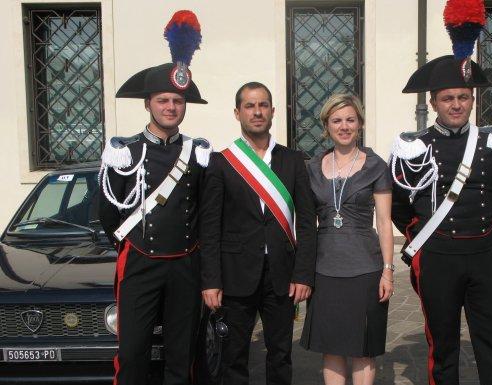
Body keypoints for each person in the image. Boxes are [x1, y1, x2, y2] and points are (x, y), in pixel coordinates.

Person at [98, 11, 212, 385]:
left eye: (177, 101)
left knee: (183, 356)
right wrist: (133, 244)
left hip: (185, 264)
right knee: (132, 354)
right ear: (148, 103)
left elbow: (205, 212)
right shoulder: (125, 152)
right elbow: (108, 214)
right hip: (140, 262)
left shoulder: (197, 153)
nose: (170, 107)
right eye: (163, 100)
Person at [389, 54, 492, 385]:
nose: (456, 105)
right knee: (442, 346)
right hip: (438, 259)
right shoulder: (415, 147)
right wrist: (424, 236)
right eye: (448, 98)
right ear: (433, 102)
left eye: (463, 97)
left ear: (472, 100)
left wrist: (484, 226)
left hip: (485, 255)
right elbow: (398, 203)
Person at [201, 82, 317, 385]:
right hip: (235, 274)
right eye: (250, 106)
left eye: (263, 105)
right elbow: (210, 227)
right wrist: (211, 280)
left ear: (273, 112)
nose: (257, 112)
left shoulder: (293, 160)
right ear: (237, 112)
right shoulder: (222, 162)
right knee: (233, 356)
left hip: (282, 274)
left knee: (280, 355)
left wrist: (304, 273)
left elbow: (307, 221)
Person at [299, 94, 394, 385]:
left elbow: (384, 222)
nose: (344, 126)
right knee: (332, 347)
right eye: (337, 120)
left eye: (350, 120)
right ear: (326, 126)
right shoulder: (312, 167)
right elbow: (303, 222)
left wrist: (388, 271)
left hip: (365, 269)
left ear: (360, 124)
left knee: (363, 349)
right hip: (324, 269)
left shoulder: (376, 165)